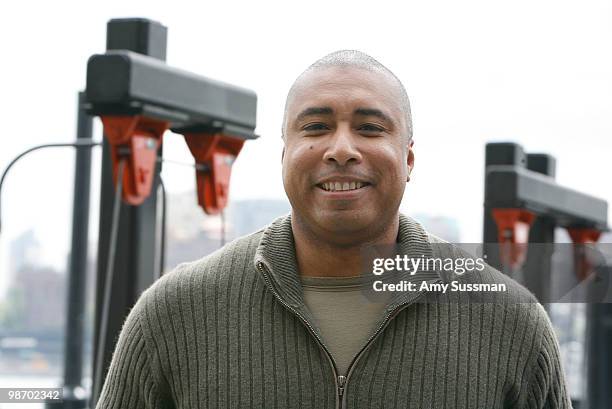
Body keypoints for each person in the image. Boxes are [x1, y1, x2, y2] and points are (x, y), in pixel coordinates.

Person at [95, 50, 571, 408]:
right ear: (284, 154)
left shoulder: (511, 323)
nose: (341, 149)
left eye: (369, 128)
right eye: (316, 127)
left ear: (408, 159)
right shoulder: (174, 314)